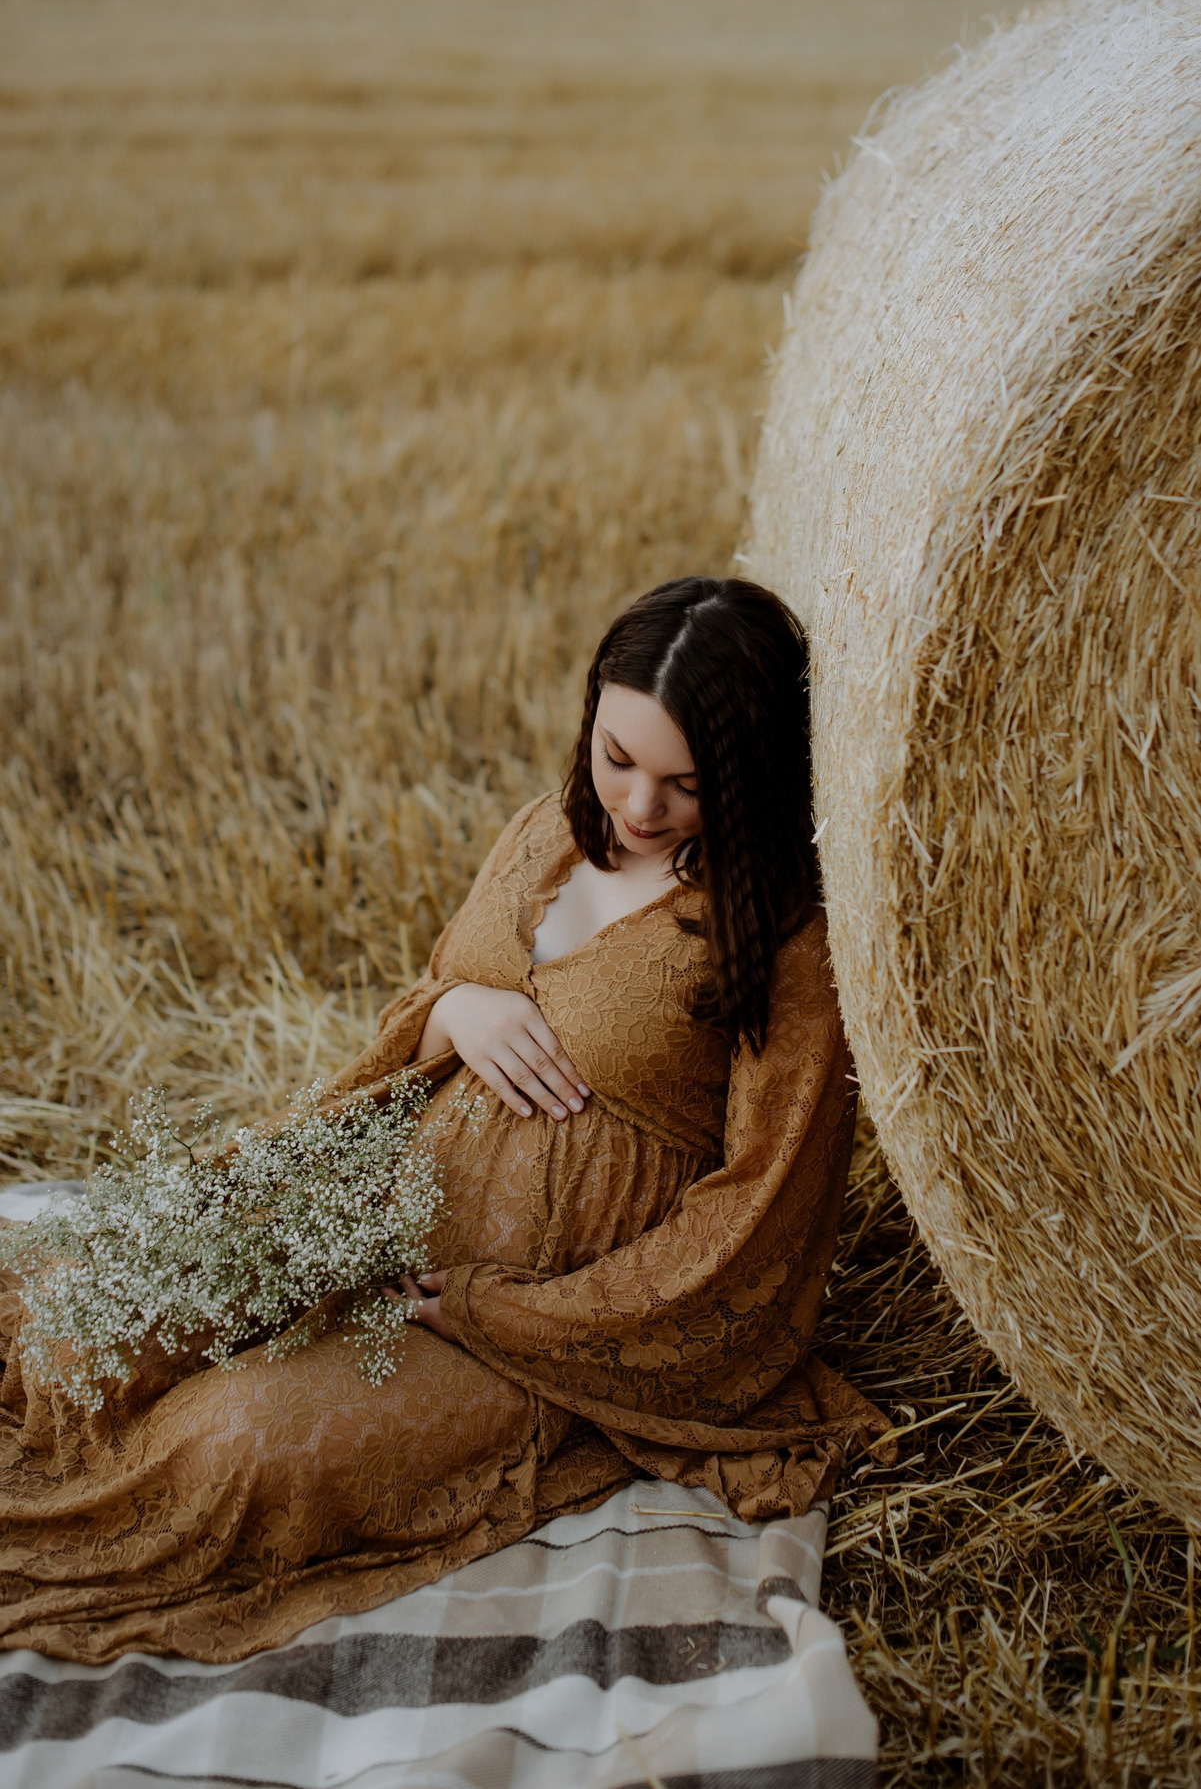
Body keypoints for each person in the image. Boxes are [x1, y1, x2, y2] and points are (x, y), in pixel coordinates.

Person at [0, 576, 886, 1666]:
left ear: (746, 777)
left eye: (684, 783)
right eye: (617, 756)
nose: (639, 806)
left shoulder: (778, 942)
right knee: (88, 1318)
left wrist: (505, 1313)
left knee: (228, 1444)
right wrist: (456, 1010)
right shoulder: (542, 835)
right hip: (374, 1200)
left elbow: (762, 1211)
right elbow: (424, 1004)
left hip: (532, 1324)